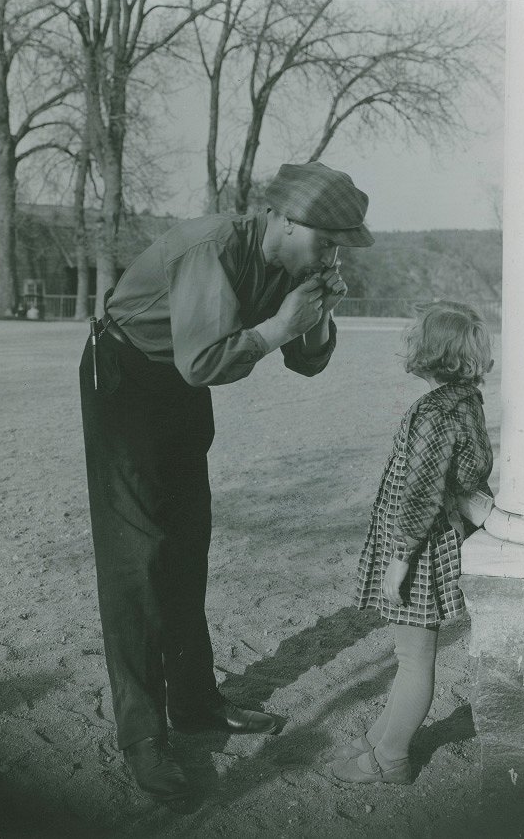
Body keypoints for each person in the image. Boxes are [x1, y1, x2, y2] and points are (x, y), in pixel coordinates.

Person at [79, 161, 374, 802]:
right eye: (326, 242)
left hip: (183, 387)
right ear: (286, 219)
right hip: (127, 380)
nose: (330, 256)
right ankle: (141, 735)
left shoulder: (289, 261)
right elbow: (206, 359)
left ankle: (194, 704)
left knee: (187, 545)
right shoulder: (210, 247)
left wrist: (317, 311)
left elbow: (307, 362)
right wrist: (276, 326)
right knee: (137, 561)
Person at [330, 300, 494, 786]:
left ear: (431, 351)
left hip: (418, 548)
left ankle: (391, 759)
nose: (407, 344)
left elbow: (421, 494)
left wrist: (398, 562)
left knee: (413, 657)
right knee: (411, 654)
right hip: (432, 538)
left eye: (414, 337)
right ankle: (381, 737)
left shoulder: (435, 411)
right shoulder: (466, 399)